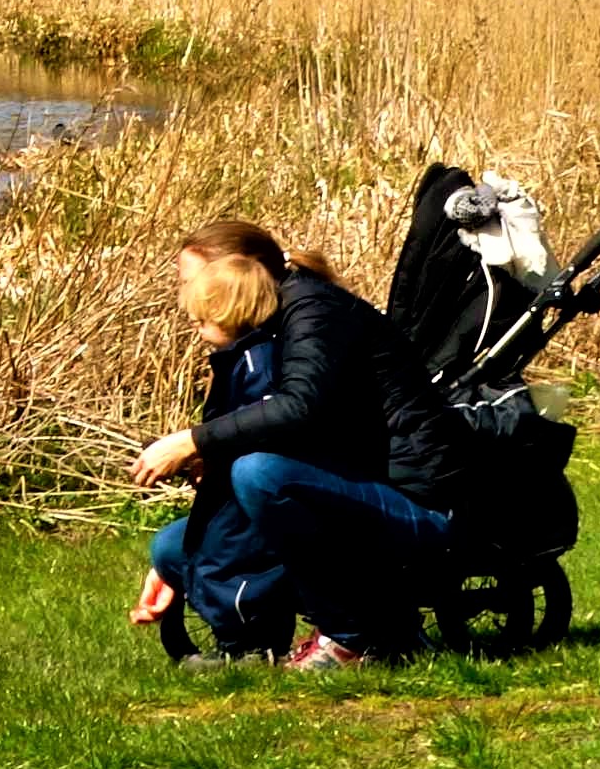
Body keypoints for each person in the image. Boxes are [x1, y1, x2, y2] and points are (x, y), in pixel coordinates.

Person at [129, 217, 481, 666]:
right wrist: (193, 550)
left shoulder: (315, 311)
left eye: (193, 281)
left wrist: (194, 441)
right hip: (351, 484)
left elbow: (300, 408)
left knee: (260, 474)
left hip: (415, 498)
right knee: (172, 547)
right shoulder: (263, 331)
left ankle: (355, 636)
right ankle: (257, 644)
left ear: (241, 275)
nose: (188, 296)